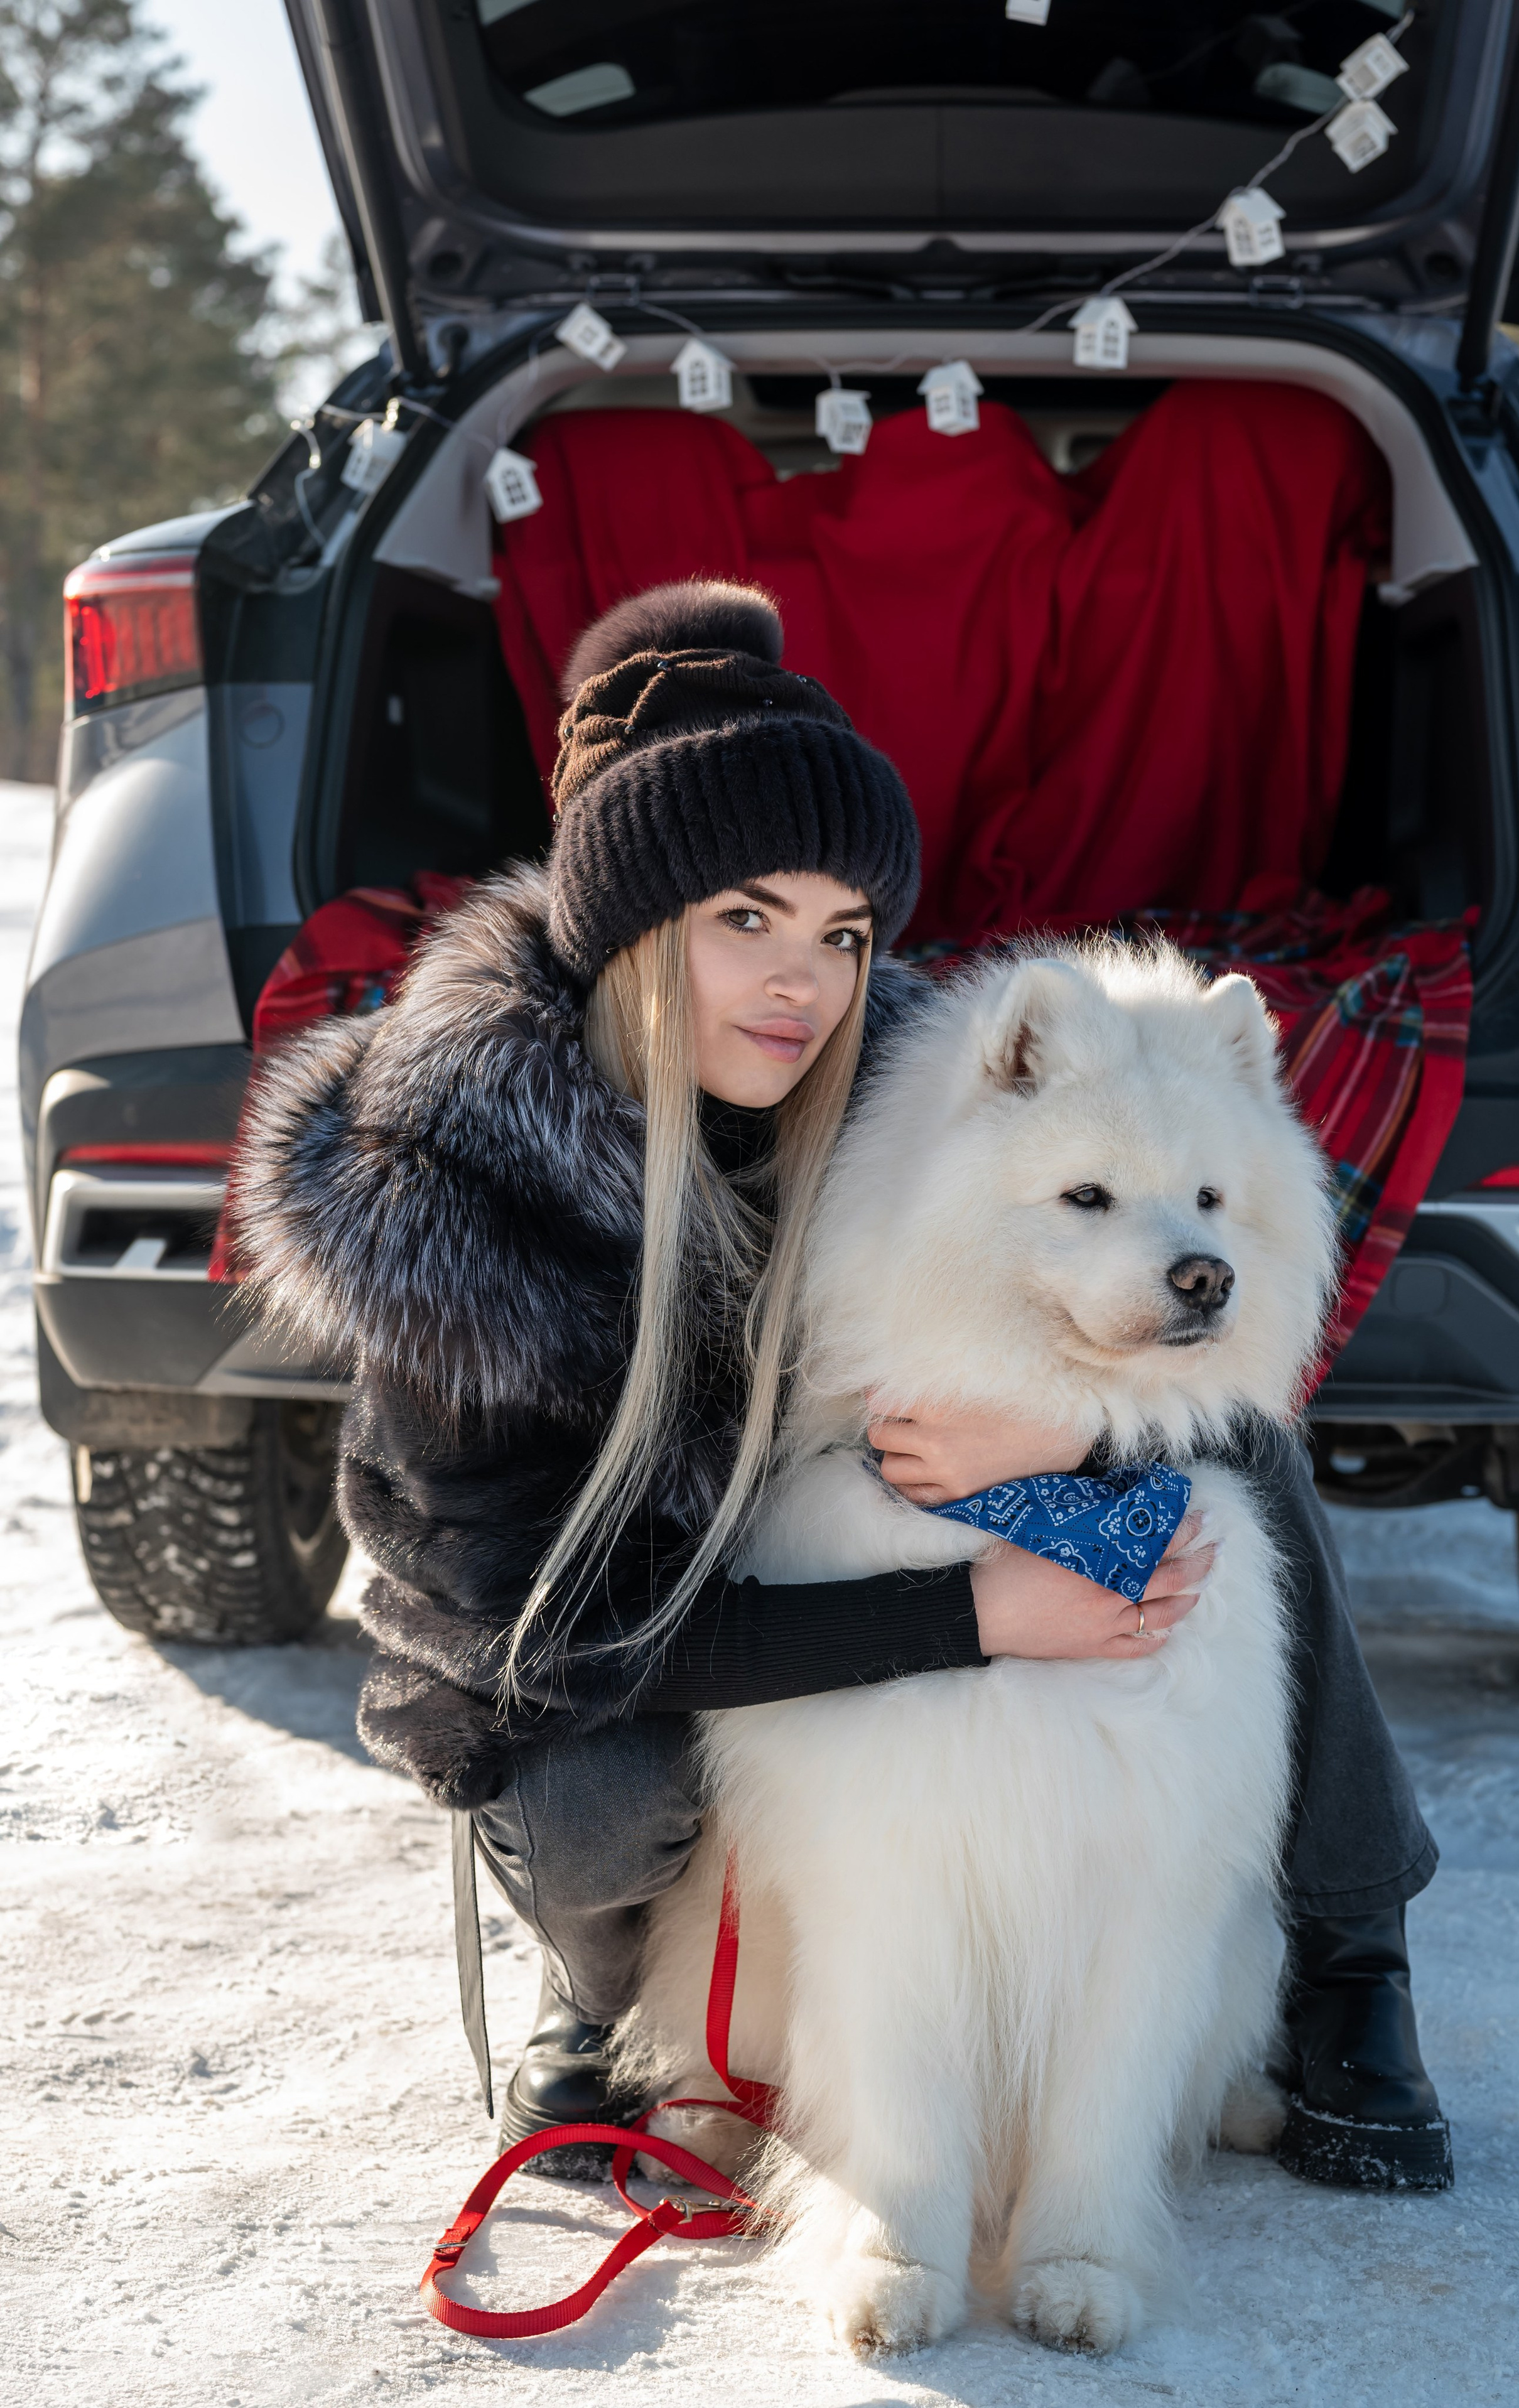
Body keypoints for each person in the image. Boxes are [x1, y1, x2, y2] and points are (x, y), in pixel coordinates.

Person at [238, 580, 1450, 2195]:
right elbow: (545, 1632)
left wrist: (1067, 1426)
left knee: (1242, 1472)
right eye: (744, 916)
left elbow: (1142, 1301)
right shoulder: (454, 1194)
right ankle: (598, 1993)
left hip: (811, 1540)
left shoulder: (885, 1076)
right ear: (630, 926)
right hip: (586, 1639)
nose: (804, 983)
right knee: (608, 1790)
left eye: (844, 931)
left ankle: (1351, 1959)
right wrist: (975, 1618)